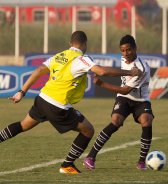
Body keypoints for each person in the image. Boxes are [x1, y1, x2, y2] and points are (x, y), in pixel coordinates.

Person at [3, 31, 141, 174]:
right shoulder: (81, 59)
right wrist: (130, 72)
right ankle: (67, 165)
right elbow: (101, 71)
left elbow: (39, 70)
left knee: (23, 125)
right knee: (88, 130)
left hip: (42, 98)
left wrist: (22, 91)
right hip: (58, 105)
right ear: (85, 44)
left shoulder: (60, 55)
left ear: (70, 44)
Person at [83, 34, 154, 171]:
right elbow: (116, 74)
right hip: (123, 98)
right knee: (115, 120)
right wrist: (102, 72)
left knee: (147, 120)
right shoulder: (123, 59)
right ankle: (90, 157)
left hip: (140, 100)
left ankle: (141, 162)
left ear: (135, 48)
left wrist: (101, 84)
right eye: (122, 50)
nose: (125, 53)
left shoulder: (142, 68)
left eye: (128, 50)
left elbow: (126, 89)